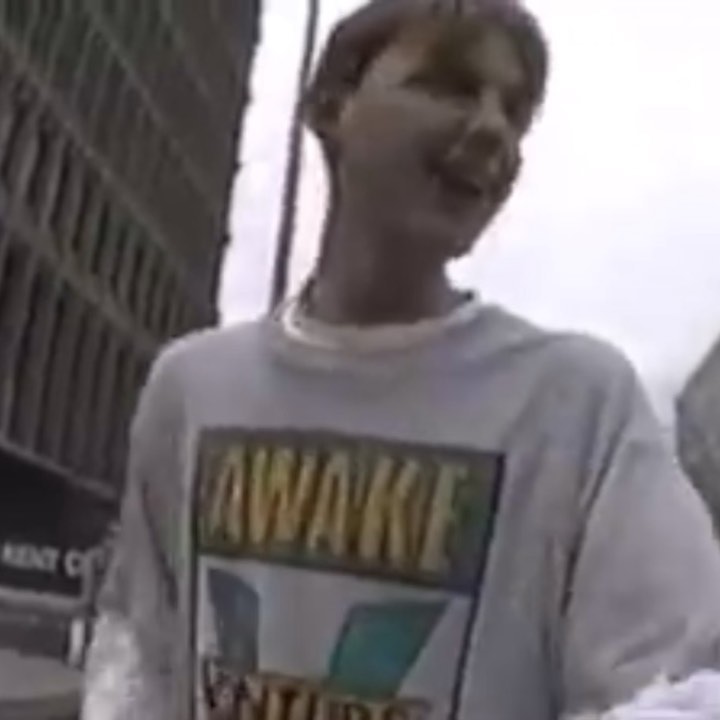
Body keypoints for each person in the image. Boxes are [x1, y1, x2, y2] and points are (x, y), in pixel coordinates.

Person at [81, 1, 720, 719]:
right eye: (449, 84)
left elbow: (681, 690)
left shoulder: (579, 405)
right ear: (333, 107)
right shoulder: (191, 387)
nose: (493, 128)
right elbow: (139, 657)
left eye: (515, 111)